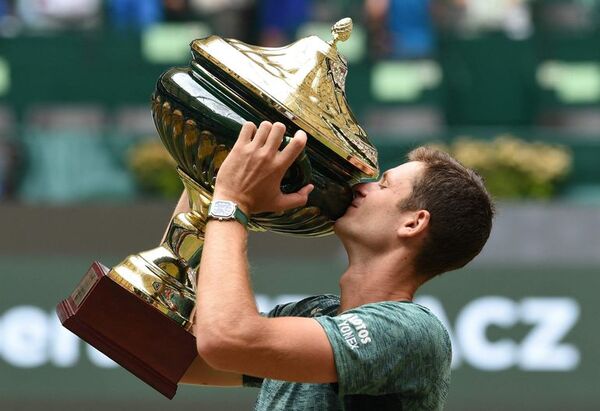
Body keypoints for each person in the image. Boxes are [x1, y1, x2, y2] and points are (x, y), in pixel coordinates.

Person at [175, 121, 495, 410]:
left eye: (382, 185)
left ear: (413, 223)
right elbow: (173, 357)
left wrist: (232, 202)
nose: (360, 187)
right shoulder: (315, 314)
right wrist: (209, 180)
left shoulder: (412, 333)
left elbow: (227, 340)